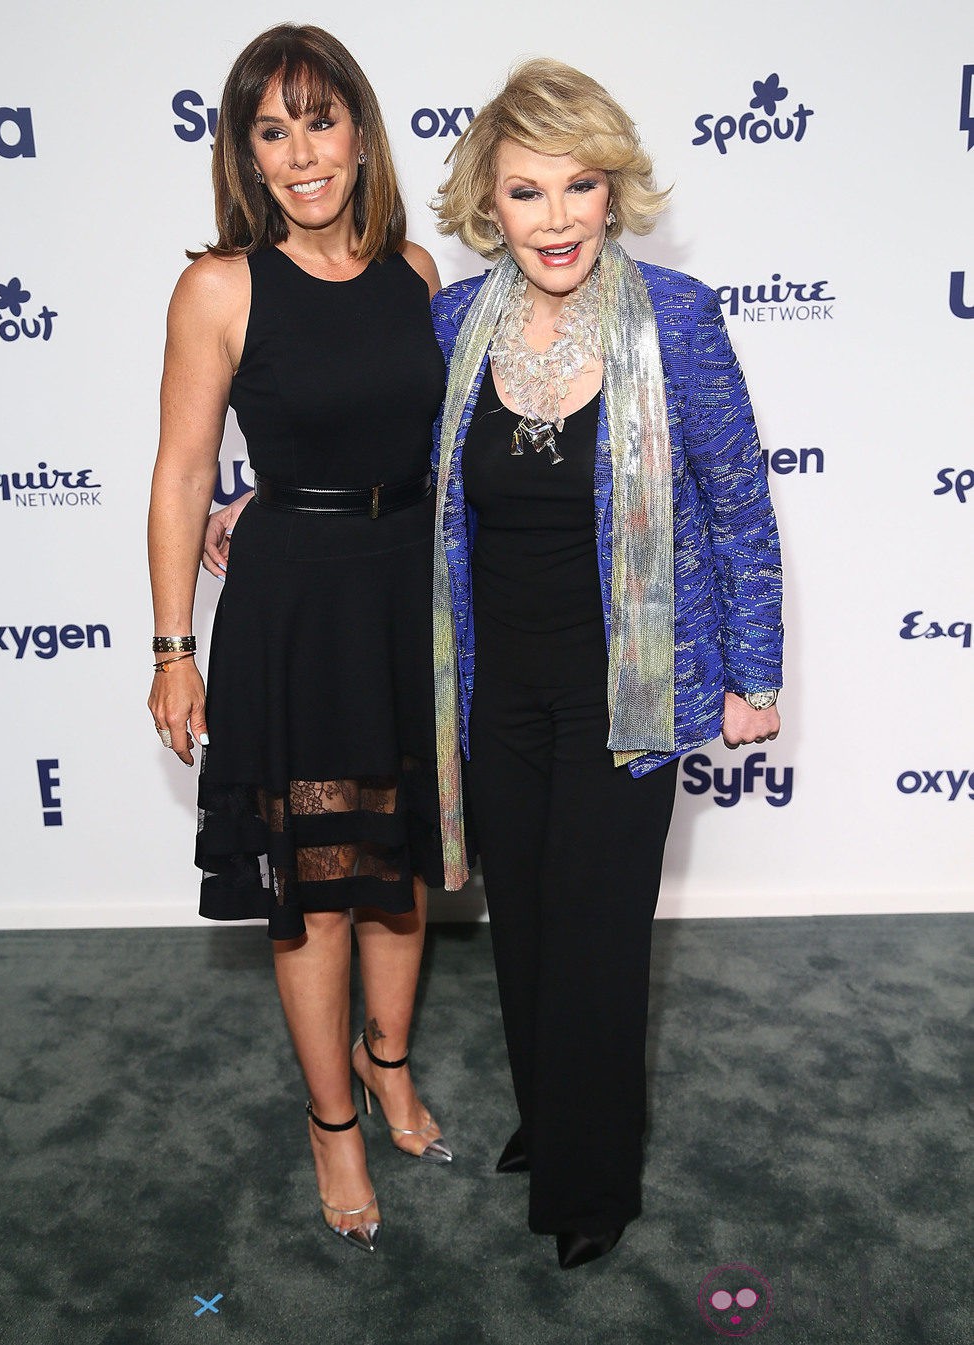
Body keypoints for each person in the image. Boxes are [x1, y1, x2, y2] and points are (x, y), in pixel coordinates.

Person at [429, 59, 783, 1269]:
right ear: (490, 203)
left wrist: (755, 671)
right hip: (493, 691)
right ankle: (555, 1114)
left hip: (624, 691)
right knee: (519, 924)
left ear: (613, 189)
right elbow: (402, 480)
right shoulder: (451, 325)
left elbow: (737, 507)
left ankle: (592, 1183)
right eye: (526, 192)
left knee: (595, 936)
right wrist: (265, 502)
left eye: (581, 185)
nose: (558, 216)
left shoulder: (674, 317)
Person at [147, 23, 452, 1257]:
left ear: (361, 131)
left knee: (400, 871)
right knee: (318, 889)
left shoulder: (418, 272)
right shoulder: (219, 285)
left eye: (318, 120)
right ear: (246, 154)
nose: (300, 151)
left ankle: (389, 1065)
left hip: (402, 594)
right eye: (270, 131)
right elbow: (177, 475)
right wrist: (173, 644)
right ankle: (333, 1120)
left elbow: (431, 441)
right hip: (291, 610)